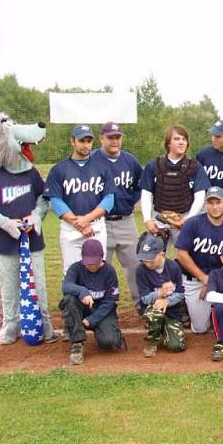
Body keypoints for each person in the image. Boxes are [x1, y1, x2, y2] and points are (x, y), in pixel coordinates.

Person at [0, 113, 56, 345]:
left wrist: (36, 216)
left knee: (38, 283)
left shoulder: (31, 172)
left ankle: (44, 322)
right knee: (8, 285)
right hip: (4, 243)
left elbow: (44, 198)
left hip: (33, 241)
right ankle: (11, 323)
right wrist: (5, 223)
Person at [44, 124, 115, 275]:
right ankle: (72, 299)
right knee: (71, 271)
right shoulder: (59, 169)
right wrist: (80, 224)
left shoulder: (102, 167)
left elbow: (109, 199)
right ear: (73, 141)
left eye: (89, 141)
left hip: (96, 226)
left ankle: (97, 299)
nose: (86, 145)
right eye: (82, 141)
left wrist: (87, 220)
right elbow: (55, 201)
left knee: (98, 269)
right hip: (70, 227)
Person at [90, 122, 144, 315]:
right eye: (110, 137)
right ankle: (102, 310)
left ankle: (142, 307)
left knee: (136, 266)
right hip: (99, 222)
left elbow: (142, 184)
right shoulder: (92, 159)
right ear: (101, 138)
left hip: (126, 221)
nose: (114, 141)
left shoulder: (130, 160)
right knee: (98, 267)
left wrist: (131, 200)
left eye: (117, 137)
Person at [174, 186, 223, 334]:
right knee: (200, 328)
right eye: (211, 203)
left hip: (222, 281)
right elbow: (181, 255)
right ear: (205, 204)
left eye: (218, 202)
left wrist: (213, 280)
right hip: (195, 281)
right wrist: (203, 278)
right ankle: (187, 303)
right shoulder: (193, 223)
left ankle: (215, 308)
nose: (215, 207)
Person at [140, 125, 211, 250]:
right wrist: (147, 219)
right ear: (168, 143)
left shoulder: (194, 166)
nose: (181, 142)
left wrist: (188, 220)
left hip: (184, 217)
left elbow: (200, 195)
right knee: (156, 259)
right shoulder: (154, 165)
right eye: (177, 139)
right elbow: (146, 193)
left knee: (185, 259)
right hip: (160, 219)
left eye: (184, 139)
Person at [60, 239, 126, 365]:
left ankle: (105, 330)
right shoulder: (76, 268)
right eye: (88, 263)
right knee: (69, 299)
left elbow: (110, 301)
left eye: (94, 262)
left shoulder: (109, 271)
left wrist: (93, 319)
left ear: (101, 257)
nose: (91, 266)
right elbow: (66, 286)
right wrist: (82, 291)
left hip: (101, 310)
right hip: (82, 308)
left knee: (110, 342)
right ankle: (77, 344)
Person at [135, 233, 187, 357]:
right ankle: (153, 340)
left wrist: (167, 301)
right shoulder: (140, 270)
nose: (147, 262)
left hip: (172, 311)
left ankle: (165, 328)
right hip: (152, 308)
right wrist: (160, 294)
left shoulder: (174, 267)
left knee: (176, 346)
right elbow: (145, 298)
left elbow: (181, 293)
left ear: (162, 254)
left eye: (151, 258)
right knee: (154, 313)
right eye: (144, 259)